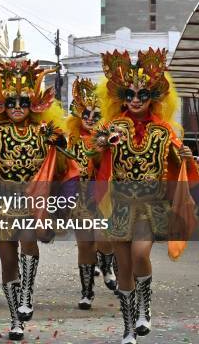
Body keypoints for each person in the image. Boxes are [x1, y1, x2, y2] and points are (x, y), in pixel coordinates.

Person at [93, 48, 199, 344]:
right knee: (123, 268)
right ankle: (128, 329)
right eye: (129, 94)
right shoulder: (112, 128)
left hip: (150, 207)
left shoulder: (164, 130)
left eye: (143, 94)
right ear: (121, 97)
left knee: (140, 254)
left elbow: (181, 167)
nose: (136, 100)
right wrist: (100, 144)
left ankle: (146, 308)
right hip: (119, 206)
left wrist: (187, 157)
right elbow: (92, 156)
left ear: (155, 96)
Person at [0, 60, 80, 341]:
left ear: (35, 103)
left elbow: (62, 167)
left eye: (23, 101)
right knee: (7, 259)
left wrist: (59, 148)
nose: (17, 107)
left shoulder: (45, 132)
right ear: (1, 103)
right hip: (2, 204)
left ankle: (27, 294)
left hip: (33, 202)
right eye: (11, 101)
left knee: (28, 244)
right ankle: (15, 318)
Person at [66, 77, 117, 310]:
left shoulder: (111, 140)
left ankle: (107, 265)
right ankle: (87, 292)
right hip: (80, 200)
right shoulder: (72, 142)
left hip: (105, 198)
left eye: (95, 115)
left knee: (104, 241)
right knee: (85, 245)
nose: (89, 119)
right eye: (85, 114)